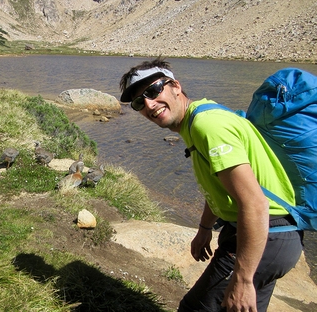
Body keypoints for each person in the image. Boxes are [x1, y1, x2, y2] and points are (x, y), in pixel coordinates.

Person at [119, 58, 303, 312]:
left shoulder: (207, 126)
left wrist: (243, 278)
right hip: (271, 237)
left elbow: (255, 203)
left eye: (153, 90)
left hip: (265, 236)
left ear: (175, 86)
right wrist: (205, 227)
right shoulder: (198, 119)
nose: (149, 104)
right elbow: (222, 186)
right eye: (139, 102)